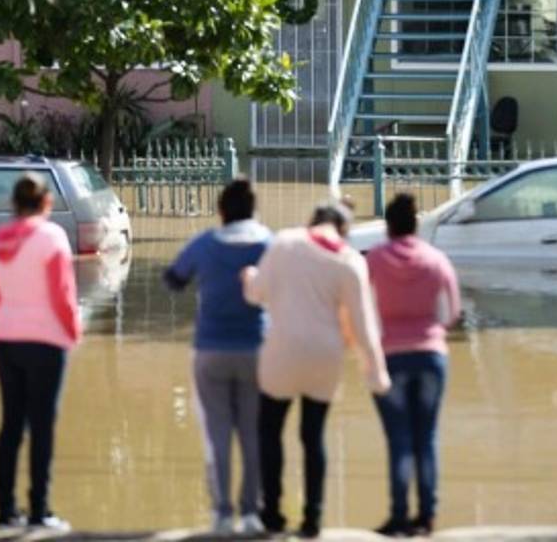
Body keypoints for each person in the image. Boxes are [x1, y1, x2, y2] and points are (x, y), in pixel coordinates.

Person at [242, 202, 390, 539]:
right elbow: (364, 324)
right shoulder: (351, 260)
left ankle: (273, 515)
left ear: (313, 221)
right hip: (326, 355)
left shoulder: (284, 242)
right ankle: (313, 518)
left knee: (270, 431)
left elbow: (257, 295)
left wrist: (250, 277)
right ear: (344, 230)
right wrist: (375, 369)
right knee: (313, 436)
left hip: (281, 352)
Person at [164, 178, 271, 536]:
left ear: (221, 211)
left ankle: (223, 514)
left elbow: (174, 279)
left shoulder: (205, 243)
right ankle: (252, 513)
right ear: (254, 211)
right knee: (253, 434)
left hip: (210, 351)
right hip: (256, 350)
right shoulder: (269, 243)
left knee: (218, 435)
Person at [0, 172, 81, 531]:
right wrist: (73, 331)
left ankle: (5, 511)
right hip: (46, 341)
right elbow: (62, 293)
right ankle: (40, 511)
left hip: (6, 339)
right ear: (46, 203)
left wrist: (12, 317)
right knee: (42, 427)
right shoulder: (51, 236)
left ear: (14, 203)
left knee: (11, 425)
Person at [366, 194, 461, 537]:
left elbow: (363, 310)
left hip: (390, 357)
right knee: (427, 437)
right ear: (415, 226)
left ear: (388, 226)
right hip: (431, 357)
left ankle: (399, 516)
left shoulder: (375, 259)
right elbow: (450, 313)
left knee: (399, 440)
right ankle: (428, 516)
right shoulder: (436, 260)